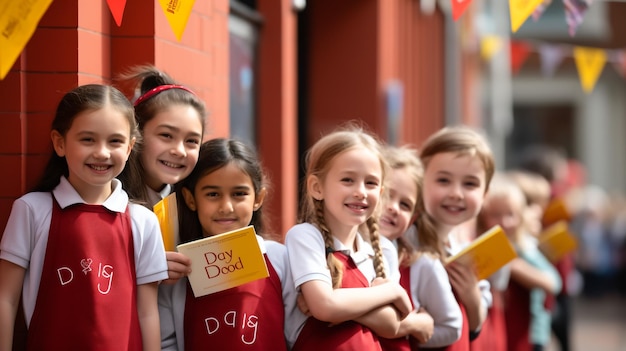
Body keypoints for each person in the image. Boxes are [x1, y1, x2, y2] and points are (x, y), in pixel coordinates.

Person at [0, 84, 168, 350]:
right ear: (60, 142)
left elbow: (148, 312)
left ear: (129, 147)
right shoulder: (32, 210)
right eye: (88, 139)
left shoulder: (143, 221)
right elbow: (5, 299)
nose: (101, 152)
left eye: (114, 141)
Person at [158, 138, 298, 350]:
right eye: (213, 194)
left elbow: (297, 334)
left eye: (239, 194)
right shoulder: (177, 271)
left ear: (258, 198)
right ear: (190, 199)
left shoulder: (281, 260)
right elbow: (166, 342)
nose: (226, 207)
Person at [285, 125, 413, 351]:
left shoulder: (383, 250)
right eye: (347, 180)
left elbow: (392, 324)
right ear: (317, 187)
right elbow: (325, 306)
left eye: (371, 183)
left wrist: (340, 303)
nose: (361, 191)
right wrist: (389, 291)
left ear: (380, 193)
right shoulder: (305, 236)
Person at [406, 125, 495, 351]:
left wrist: (473, 300)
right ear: (419, 182)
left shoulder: (464, 249)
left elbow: (474, 327)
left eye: (470, 184)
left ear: (484, 194)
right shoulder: (404, 244)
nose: (456, 193)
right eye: (444, 181)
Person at [117, 65, 207, 283]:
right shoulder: (111, 204)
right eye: (166, 135)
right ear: (136, 135)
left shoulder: (198, 204)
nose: (179, 150)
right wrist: (147, 268)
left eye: (192, 141)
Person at [377, 145, 461, 350]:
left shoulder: (422, 265)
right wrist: (408, 323)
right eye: (387, 194)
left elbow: (452, 327)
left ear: (413, 218)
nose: (393, 207)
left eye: (405, 205)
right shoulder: (337, 251)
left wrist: (412, 334)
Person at [481, 173, 561, 351]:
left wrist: (512, 265)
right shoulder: (481, 245)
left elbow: (553, 282)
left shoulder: (523, 248)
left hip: (525, 333)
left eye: (510, 215)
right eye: (495, 215)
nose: (504, 222)